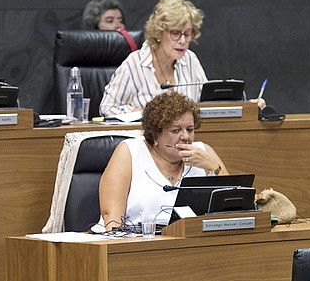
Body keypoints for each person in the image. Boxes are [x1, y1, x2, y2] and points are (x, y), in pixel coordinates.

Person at [95, 90, 227, 231]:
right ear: (155, 135)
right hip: (137, 241)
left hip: (193, 242)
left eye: (190, 129)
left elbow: (232, 206)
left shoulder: (203, 152)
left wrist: (212, 166)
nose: (186, 137)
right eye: (176, 131)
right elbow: (112, 219)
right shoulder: (130, 152)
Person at [100, 0, 206, 116]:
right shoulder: (135, 63)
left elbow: (207, 104)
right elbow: (107, 107)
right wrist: (144, 114)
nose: (182, 41)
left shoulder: (190, 60)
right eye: (175, 33)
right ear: (159, 33)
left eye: (187, 34)